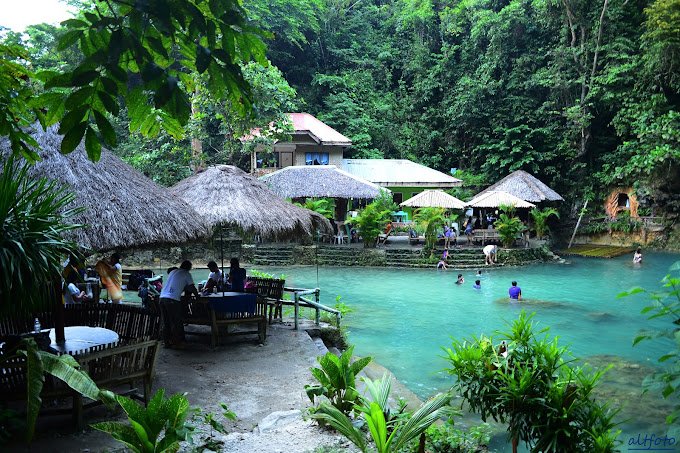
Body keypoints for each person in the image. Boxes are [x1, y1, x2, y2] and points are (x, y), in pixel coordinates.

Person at [159, 260, 198, 348]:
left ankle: (166, 342)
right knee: (176, 322)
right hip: (172, 300)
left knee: (166, 322)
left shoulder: (173, 271)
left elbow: (176, 284)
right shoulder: (186, 273)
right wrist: (198, 297)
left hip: (162, 298)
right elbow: (191, 287)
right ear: (189, 267)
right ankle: (178, 342)